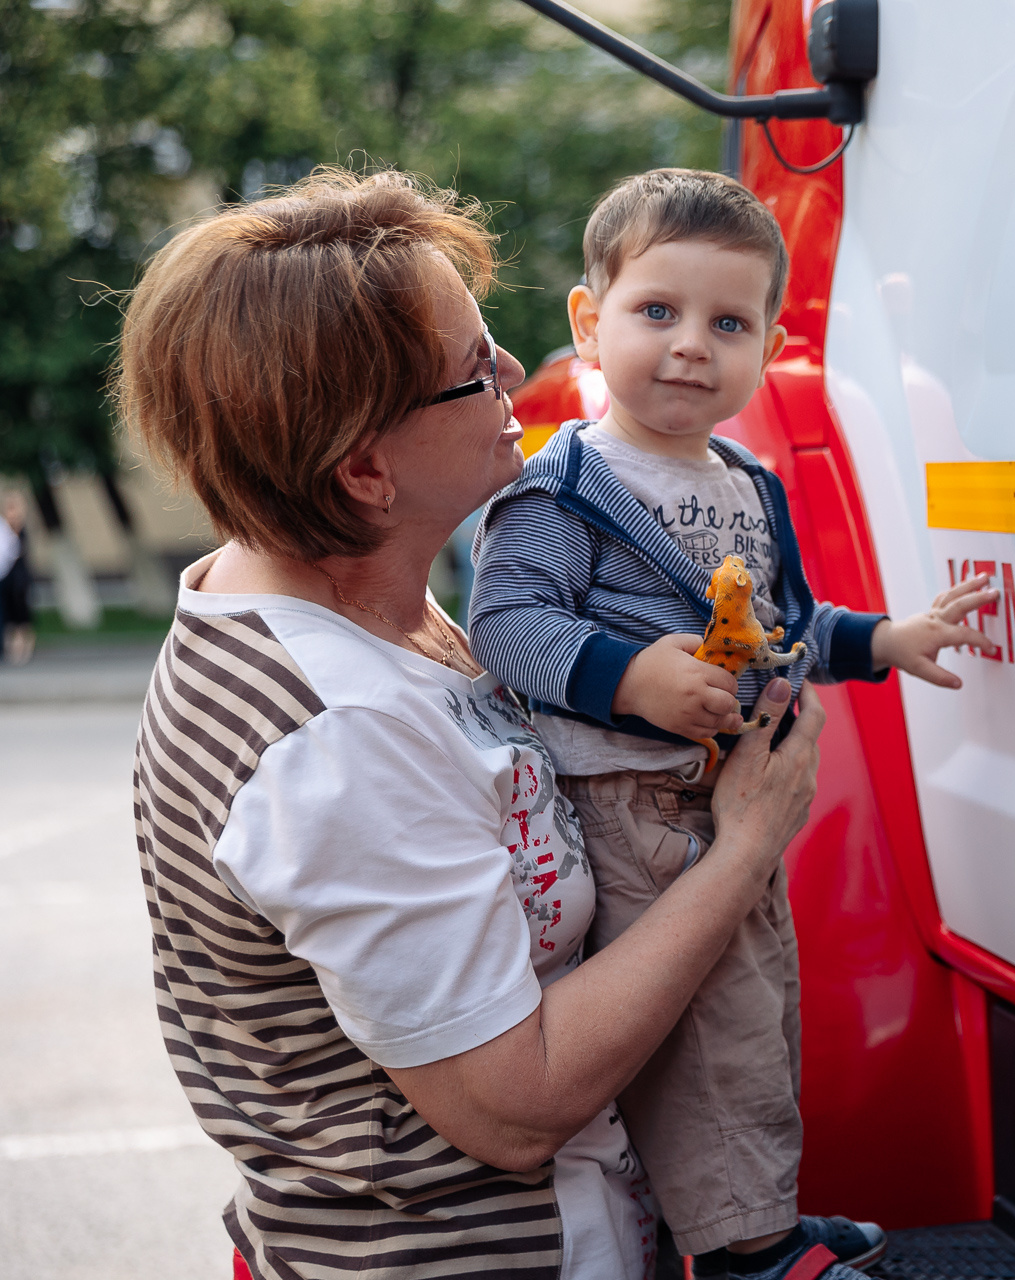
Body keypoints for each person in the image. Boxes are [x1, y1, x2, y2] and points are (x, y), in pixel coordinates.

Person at [114, 166, 828, 1280]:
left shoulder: (360, 593)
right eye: (468, 371)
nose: (509, 370)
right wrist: (742, 848)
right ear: (363, 471)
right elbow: (515, 1103)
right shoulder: (333, 737)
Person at [468, 169, 997, 1280]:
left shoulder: (749, 481)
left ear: (770, 337)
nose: (691, 345)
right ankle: (750, 1251)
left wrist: (882, 640)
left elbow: (784, 625)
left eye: (728, 321)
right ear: (588, 319)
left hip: (717, 802)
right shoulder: (566, 484)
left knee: (757, 1017)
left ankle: (756, 1218)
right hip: (627, 799)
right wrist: (630, 679)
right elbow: (508, 622)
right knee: (714, 1029)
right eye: (656, 311)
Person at [1, 492, 33, 664]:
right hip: (6, 580)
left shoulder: (21, 531)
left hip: (20, 582)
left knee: (22, 617)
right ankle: (10, 650)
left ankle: (23, 651)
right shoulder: (3, 530)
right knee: (8, 618)